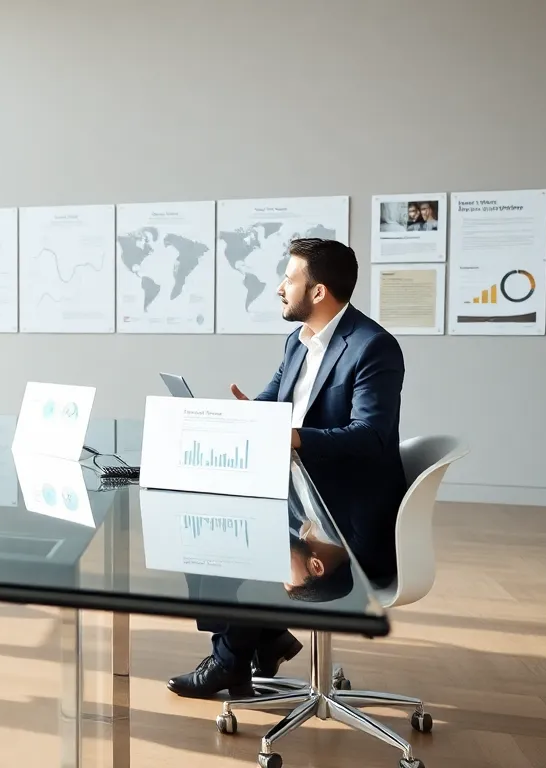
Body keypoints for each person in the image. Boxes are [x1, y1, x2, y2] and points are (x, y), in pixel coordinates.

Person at [168, 237, 407, 699]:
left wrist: (294, 437)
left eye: (289, 279)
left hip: (344, 520)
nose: (279, 288)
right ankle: (262, 640)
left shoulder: (372, 347)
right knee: (203, 522)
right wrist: (241, 418)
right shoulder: (297, 343)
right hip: (302, 495)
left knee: (242, 540)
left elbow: (371, 436)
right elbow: (271, 404)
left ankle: (231, 660)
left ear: (318, 292)